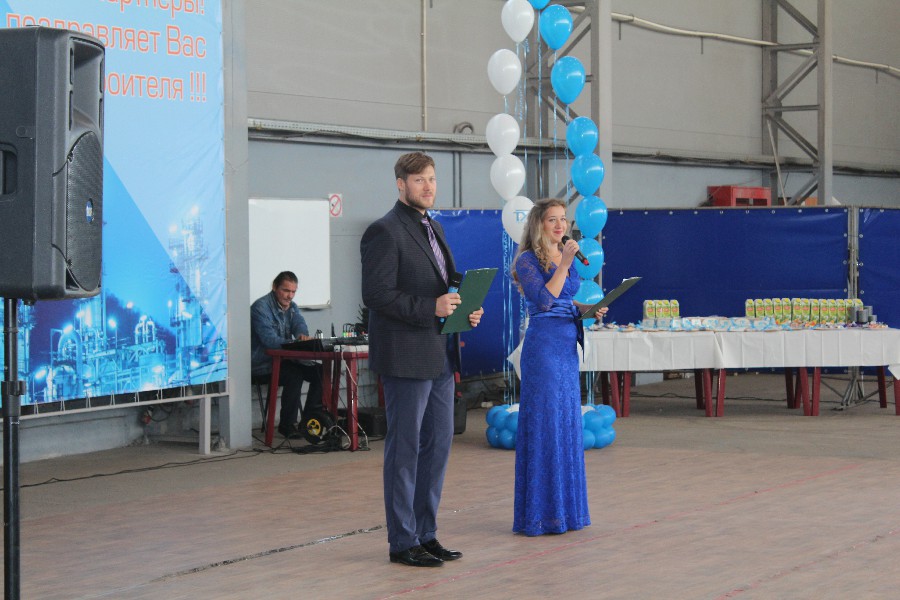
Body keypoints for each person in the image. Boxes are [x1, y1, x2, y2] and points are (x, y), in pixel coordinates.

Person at [360, 151, 484, 568]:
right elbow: (376, 295)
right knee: (405, 449)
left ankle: (425, 534)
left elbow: (443, 288)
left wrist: (463, 309)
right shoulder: (384, 231)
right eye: (419, 180)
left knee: (438, 446)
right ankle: (401, 541)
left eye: (431, 179)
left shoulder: (434, 227)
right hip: (405, 357)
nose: (428, 186)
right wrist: (430, 307)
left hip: (440, 355)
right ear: (401, 184)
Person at [509, 198, 608, 536]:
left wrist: (586, 308)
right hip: (544, 349)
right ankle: (541, 514)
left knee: (566, 423)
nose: (560, 225)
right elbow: (544, 300)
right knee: (547, 424)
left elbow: (564, 300)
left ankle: (566, 512)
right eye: (552, 219)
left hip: (566, 347)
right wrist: (564, 263)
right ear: (538, 224)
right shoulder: (527, 260)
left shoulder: (563, 257)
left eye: (563, 219)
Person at [250, 271, 324, 439]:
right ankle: (287, 425)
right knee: (294, 374)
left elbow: (300, 325)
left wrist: (302, 336)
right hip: (263, 364)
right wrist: (295, 343)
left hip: (286, 360)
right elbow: (270, 341)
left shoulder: (293, 307)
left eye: (293, 292)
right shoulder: (260, 308)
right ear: (274, 287)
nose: (290, 296)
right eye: (285, 290)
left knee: (320, 371)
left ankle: (310, 421)